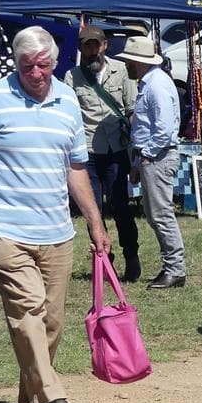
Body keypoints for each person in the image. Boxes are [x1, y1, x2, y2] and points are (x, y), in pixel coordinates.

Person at [0, 25, 109, 403]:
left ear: (55, 63)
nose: (36, 73)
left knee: (50, 322)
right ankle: (54, 396)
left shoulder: (67, 99)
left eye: (43, 65)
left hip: (56, 230)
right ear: (16, 63)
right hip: (4, 227)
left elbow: (75, 168)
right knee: (27, 313)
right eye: (27, 66)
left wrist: (95, 220)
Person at [64, 25, 140, 282]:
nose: (92, 50)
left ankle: (132, 256)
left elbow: (132, 110)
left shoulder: (122, 71)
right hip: (87, 151)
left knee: (121, 207)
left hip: (117, 148)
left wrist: (135, 148)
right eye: (87, 45)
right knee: (92, 209)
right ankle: (105, 262)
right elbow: (70, 117)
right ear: (80, 48)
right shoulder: (72, 77)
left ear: (105, 45)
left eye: (96, 45)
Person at [121, 36, 186, 290]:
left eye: (128, 60)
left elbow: (164, 128)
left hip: (158, 155)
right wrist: (139, 160)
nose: (126, 64)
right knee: (155, 213)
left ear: (138, 62)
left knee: (161, 214)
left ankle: (175, 268)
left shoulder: (156, 85)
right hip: (152, 155)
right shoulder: (151, 82)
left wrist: (146, 154)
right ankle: (173, 267)